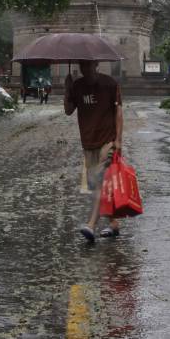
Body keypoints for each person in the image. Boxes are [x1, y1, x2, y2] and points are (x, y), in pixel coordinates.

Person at [64, 60, 123, 243]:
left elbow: (118, 111)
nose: (86, 69)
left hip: (107, 142)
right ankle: (113, 223)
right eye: (83, 66)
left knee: (99, 184)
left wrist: (118, 140)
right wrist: (67, 89)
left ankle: (91, 225)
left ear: (96, 65)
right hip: (88, 143)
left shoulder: (109, 84)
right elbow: (68, 110)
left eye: (89, 65)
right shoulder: (77, 86)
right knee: (100, 186)